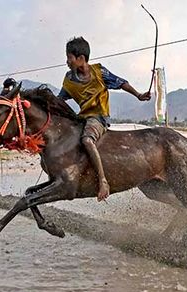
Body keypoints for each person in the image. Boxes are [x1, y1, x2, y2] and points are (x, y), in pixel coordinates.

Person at [58, 37, 151, 201]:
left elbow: (121, 83)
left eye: (69, 57)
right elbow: (60, 99)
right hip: (82, 118)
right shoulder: (69, 79)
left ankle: (103, 181)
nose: (67, 61)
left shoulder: (99, 72)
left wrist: (138, 95)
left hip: (98, 118)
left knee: (87, 140)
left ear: (80, 58)